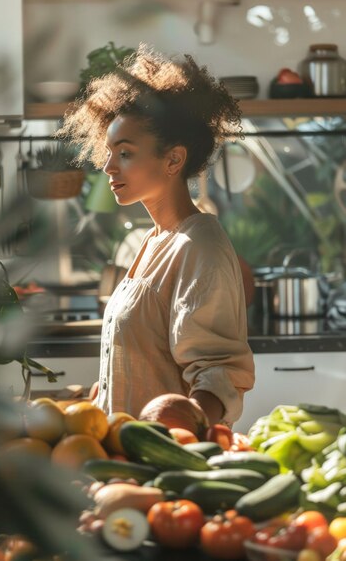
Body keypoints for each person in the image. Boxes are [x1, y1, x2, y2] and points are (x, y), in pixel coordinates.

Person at [58, 44, 255, 428]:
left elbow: (218, 374)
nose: (108, 166)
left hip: (158, 464)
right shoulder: (155, 240)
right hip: (123, 455)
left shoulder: (198, 246)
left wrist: (172, 443)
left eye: (125, 153)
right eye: (110, 152)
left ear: (174, 159)